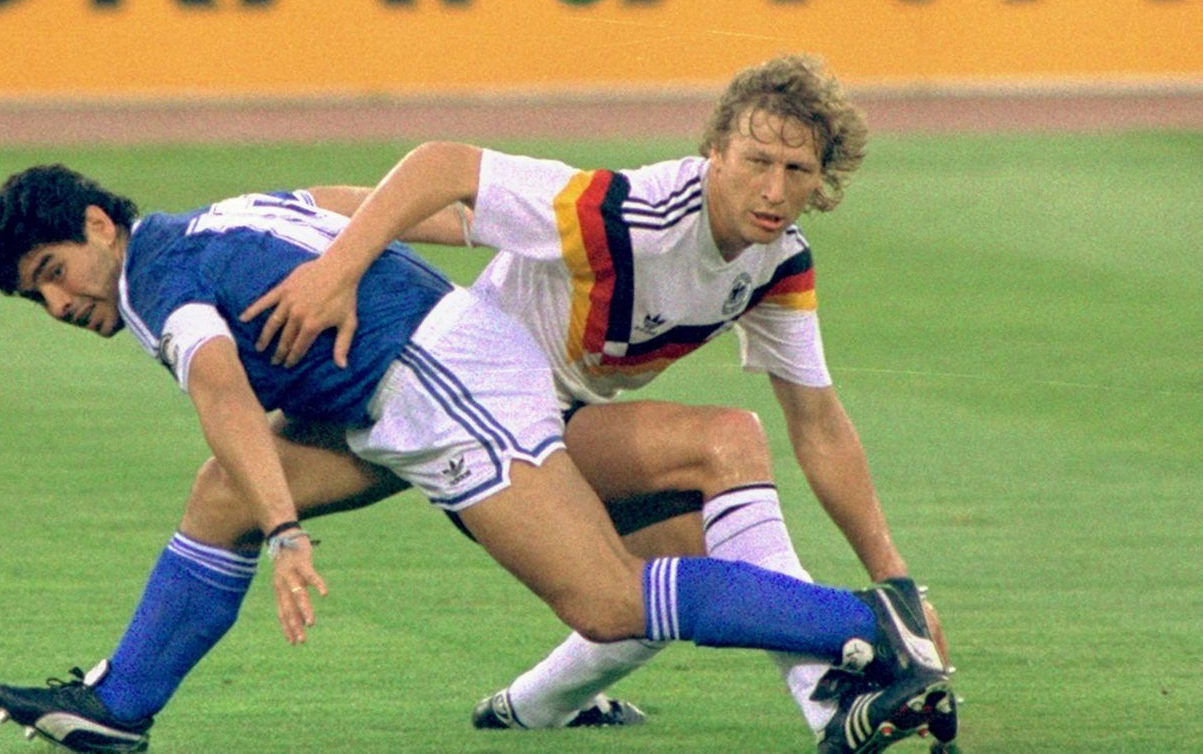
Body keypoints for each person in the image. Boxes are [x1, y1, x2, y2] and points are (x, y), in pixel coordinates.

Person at [0, 162, 952, 753]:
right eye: (34, 297)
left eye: (54, 273)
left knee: (608, 600)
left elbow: (221, 390)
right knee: (221, 492)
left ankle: (872, 628)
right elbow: (355, 206)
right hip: (408, 382)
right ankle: (119, 706)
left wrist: (287, 532)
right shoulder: (217, 220)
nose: (57, 303)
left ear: (98, 227)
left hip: (436, 386)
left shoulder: (155, 276)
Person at [239, 53, 957, 751]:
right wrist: (330, 266)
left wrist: (895, 582)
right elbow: (444, 168)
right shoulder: (629, 215)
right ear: (714, 152)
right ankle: (829, 699)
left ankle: (532, 707)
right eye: (756, 161)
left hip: (547, 434)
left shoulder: (778, 262)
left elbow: (820, 425)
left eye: (796, 170)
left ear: (821, 179)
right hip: (482, 431)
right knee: (728, 443)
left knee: (685, 570)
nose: (773, 189)